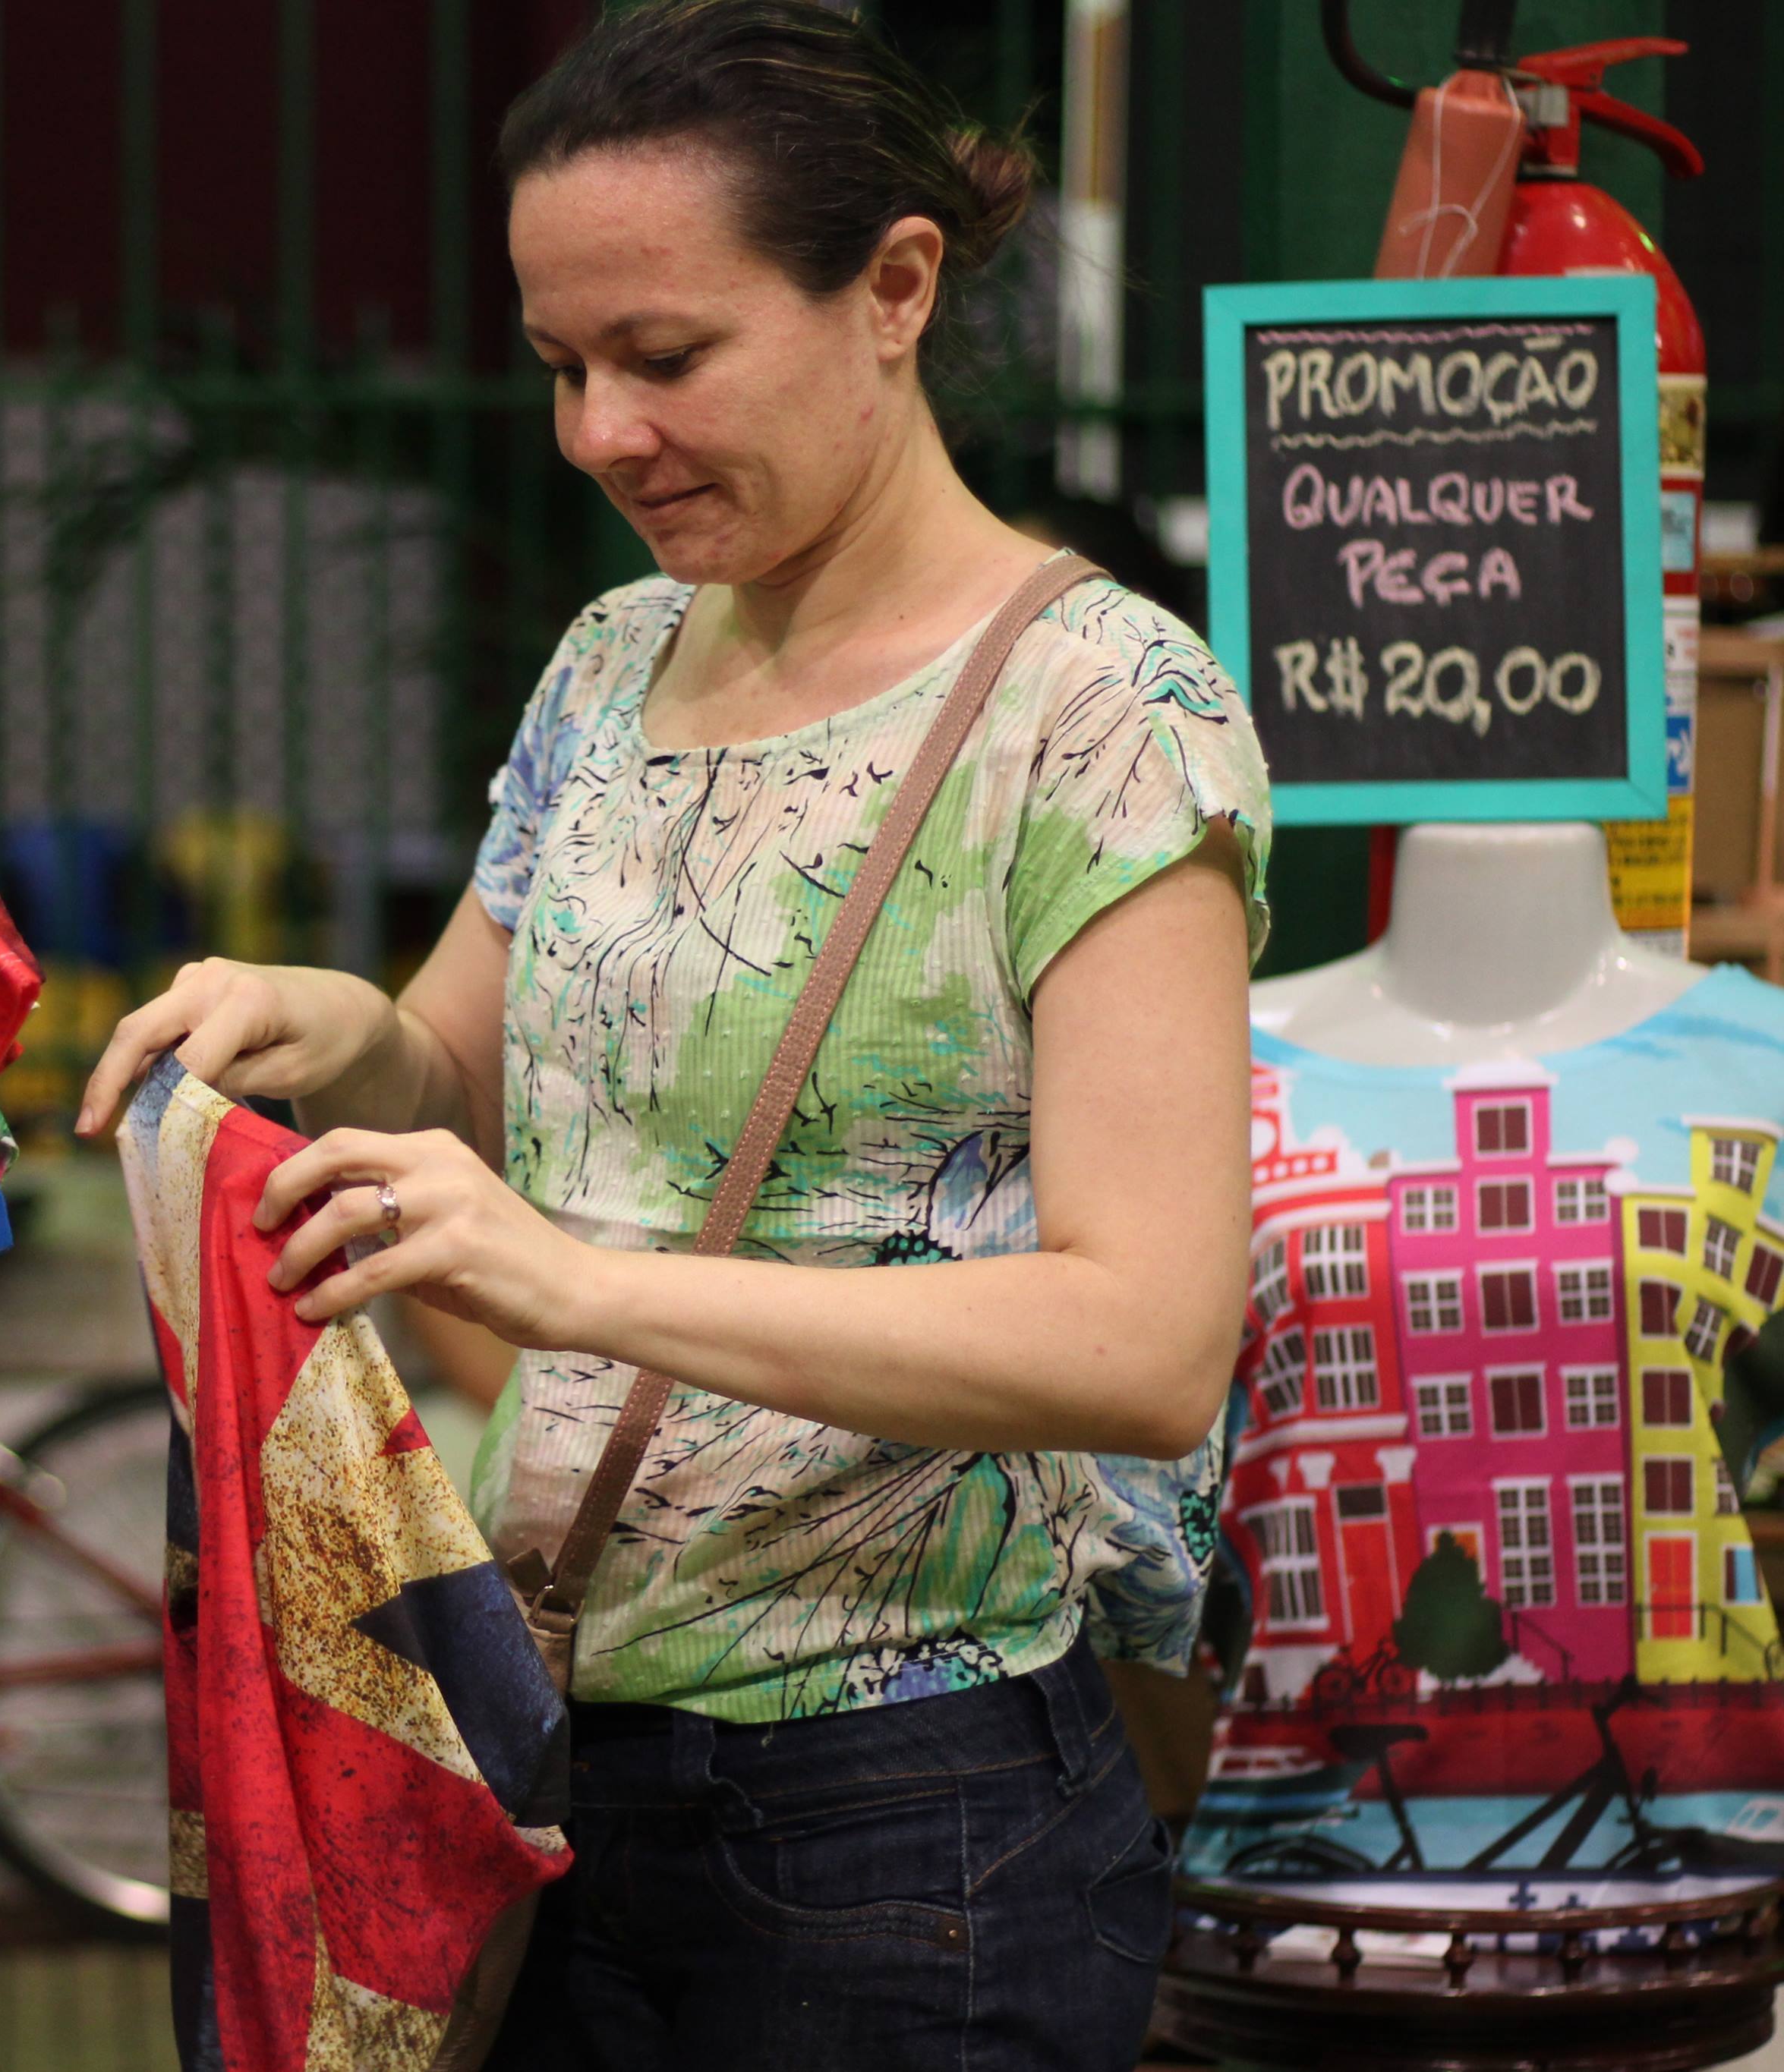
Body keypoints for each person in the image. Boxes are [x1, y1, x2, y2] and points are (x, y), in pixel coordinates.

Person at [77, 4, 1269, 2064]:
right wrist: (313, 1021)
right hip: (559, 1756)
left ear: (895, 289)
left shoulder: (1108, 712)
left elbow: (1147, 1341)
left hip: (913, 1807)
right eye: (562, 365)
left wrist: (583, 1285)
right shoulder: (614, 658)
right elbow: (453, 1055)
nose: (599, 432)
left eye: (666, 357)